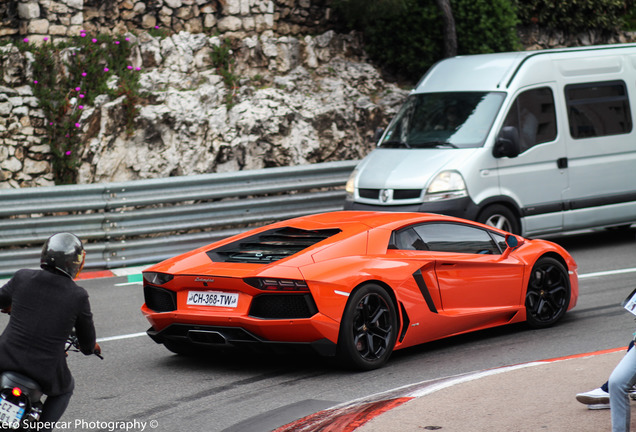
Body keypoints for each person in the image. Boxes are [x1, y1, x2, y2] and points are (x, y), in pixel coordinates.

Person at [0, 233, 100, 430]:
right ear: (75, 263)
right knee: (66, 389)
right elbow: (87, 343)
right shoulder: (78, 295)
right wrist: (91, 348)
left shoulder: (22, 277)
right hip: (44, 371)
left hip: (5, 357)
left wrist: (12, 305)